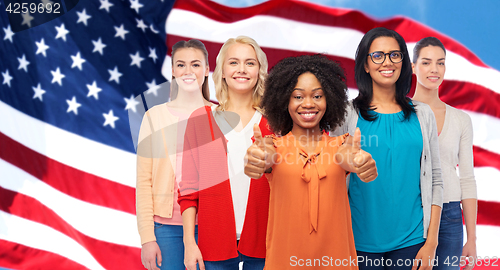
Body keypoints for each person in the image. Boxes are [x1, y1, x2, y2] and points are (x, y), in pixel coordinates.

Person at [244, 54, 377, 269]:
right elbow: (264, 156)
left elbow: (347, 157)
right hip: (286, 260)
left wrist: (360, 161)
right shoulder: (273, 146)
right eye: (298, 97)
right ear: (284, 100)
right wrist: (257, 159)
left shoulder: (341, 144)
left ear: (329, 100)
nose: (308, 104)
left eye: (317, 96)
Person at [332, 27, 443, 270]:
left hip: (413, 241)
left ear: (403, 61)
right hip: (357, 241)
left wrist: (431, 242)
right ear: (365, 64)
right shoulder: (345, 115)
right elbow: (331, 175)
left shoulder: (423, 114)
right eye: (378, 55)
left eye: (395, 55)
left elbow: (435, 180)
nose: (387, 62)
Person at [178, 36, 272, 270]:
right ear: (221, 71)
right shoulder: (200, 121)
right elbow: (189, 190)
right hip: (213, 246)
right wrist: (189, 244)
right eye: (234, 62)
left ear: (260, 71)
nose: (242, 69)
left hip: (266, 245)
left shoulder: (275, 122)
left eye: (250, 63)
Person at [136, 39, 213, 270]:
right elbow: (143, 182)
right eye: (181, 65)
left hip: (210, 226)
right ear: (172, 70)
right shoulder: (154, 117)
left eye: (196, 65)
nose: (188, 71)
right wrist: (147, 238)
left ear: (207, 70)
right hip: (165, 228)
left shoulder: (221, 115)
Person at [412, 37, 477, 270]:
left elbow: (467, 179)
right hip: (411, 211)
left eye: (440, 63)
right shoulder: (401, 113)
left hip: (450, 215)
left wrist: (472, 238)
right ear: (413, 67)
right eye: (427, 62)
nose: (434, 69)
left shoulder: (461, 119)